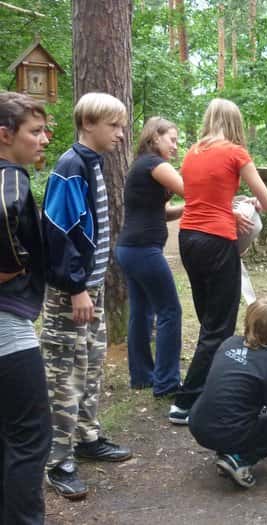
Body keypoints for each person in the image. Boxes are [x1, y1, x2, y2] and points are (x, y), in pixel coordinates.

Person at [41, 92, 132, 500]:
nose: (121, 133)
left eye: (121, 125)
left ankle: (86, 438)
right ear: (88, 124)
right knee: (65, 375)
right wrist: (76, 287)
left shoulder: (94, 162)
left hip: (89, 289)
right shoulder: (70, 167)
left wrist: (89, 287)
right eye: (114, 126)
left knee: (91, 366)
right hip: (70, 294)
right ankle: (58, 461)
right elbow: (58, 235)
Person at [168, 98, 267, 425]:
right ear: (234, 123)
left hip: (188, 238)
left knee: (209, 321)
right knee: (219, 327)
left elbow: (200, 198)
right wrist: (252, 202)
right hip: (217, 241)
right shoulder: (235, 153)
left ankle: (207, 389)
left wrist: (231, 203)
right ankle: (186, 402)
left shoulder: (191, 152)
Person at [0, 91, 51, 525]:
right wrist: (17, 264)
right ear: (5, 135)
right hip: (7, 323)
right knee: (31, 435)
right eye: (35, 131)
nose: (44, 139)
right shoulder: (10, 179)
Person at [188, 297, 267, 489]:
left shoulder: (228, 343)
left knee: (237, 408)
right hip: (229, 432)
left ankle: (226, 450)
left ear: (247, 320)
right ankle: (240, 459)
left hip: (198, 424)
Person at [115, 117, 184, 397]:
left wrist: (187, 209)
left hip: (130, 249)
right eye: (172, 139)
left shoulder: (142, 165)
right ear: (155, 137)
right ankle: (167, 383)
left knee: (142, 312)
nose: (176, 146)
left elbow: (161, 213)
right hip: (143, 250)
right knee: (170, 311)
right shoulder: (155, 164)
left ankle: (142, 376)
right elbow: (191, 190)